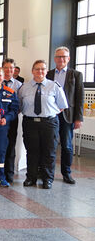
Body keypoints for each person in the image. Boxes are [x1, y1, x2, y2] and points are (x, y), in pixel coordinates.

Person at [19, 60, 68, 189]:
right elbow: (19, 105)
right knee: (32, 151)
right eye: (37, 69)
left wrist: (48, 112)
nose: (40, 71)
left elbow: (62, 106)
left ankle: (47, 179)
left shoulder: (54, 86)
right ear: (32, 71)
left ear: (46, 71)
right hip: (30, 123)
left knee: (49, 152)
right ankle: (31, 177)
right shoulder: (24, 88)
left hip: (49, 123)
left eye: (43, 69)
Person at [46, 47, 84, 184]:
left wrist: (79, 118)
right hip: (51, 115)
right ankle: (47, 172)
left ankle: (66, 173)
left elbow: (80, 97)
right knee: (49, 145)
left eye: (64, 57)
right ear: (54, 58)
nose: (61, 59)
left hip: (68, 116)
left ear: (68, 58)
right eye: (58, 56)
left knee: (67, 146)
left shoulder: (76, 75)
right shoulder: (48, 74)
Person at [2, 58, 22, 183]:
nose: (9, 70)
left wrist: (9, 115)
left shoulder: (19, 86)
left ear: (14, 70)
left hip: (11, 120)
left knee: (10, 146)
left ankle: (9, 172)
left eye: (11, 68)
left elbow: (20, 104)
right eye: (6, 67)